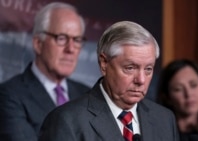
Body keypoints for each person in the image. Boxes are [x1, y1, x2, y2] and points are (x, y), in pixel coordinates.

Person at [38, 21, 179, 141]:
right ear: (104, 63)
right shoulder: (66, 121)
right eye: (130, 68)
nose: (141, 80)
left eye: (148, 69)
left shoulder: (165, 119)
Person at [0, 2, 90, 141]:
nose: (71, 49)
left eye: (77, 40)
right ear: (38, 44)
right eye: (61, 38)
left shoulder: (88, 95)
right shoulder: (8, 96)